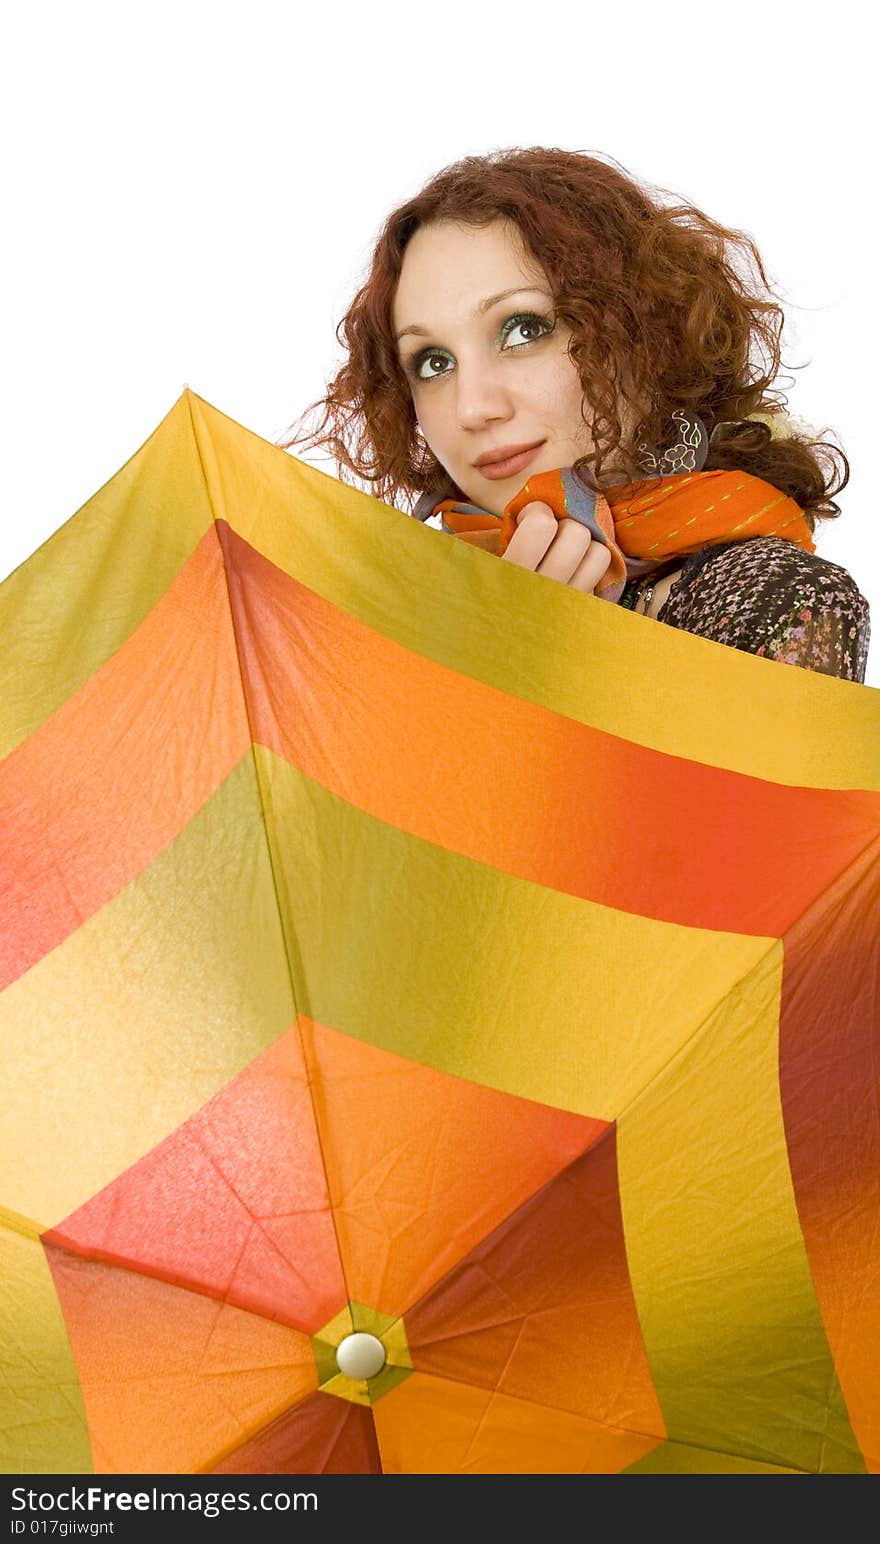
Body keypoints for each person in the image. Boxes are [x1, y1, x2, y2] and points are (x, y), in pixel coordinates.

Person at [280, 147, 871, 683]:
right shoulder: (377, 620)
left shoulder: (771, 594)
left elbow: (733, 807)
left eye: (524, 329)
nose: (473, 407)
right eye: (433, 363)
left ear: (645, 337)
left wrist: (540, 668)